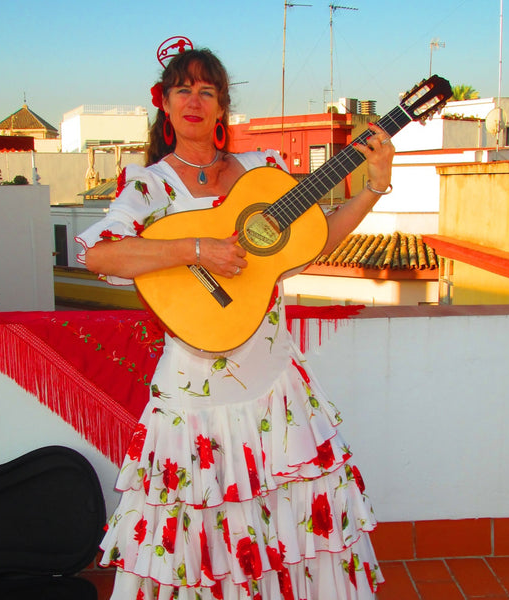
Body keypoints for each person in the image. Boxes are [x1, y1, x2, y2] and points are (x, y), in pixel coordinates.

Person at [76, 47, 394, 600]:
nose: (194, 101)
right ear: (165, 107)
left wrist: (373, 184)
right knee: (200, 530)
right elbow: (99, 256)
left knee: (290, 521)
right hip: (194, 396)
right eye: (183, 90)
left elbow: (317, 241)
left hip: (274, 383)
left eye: (207, 91)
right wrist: (196, 249)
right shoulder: (149, 186)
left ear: (223, 107)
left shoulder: (261, 173)